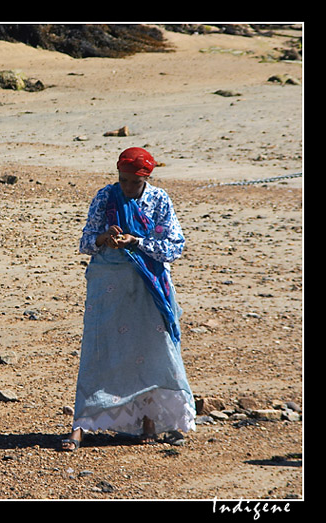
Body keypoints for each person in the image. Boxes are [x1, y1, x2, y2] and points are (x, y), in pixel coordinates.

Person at [62, 147, 195, 450]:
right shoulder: (105, 197)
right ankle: (81, 425)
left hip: (148, 285)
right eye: (122, 180)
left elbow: (174, 247)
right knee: (99, 351)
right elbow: (86, 241)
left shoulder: (159, 200)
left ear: (146, 178)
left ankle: (149, 421)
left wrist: (137, 241)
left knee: (150, 349)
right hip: (108, 284)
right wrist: (104, 237)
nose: (126, 188)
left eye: (133, 182)